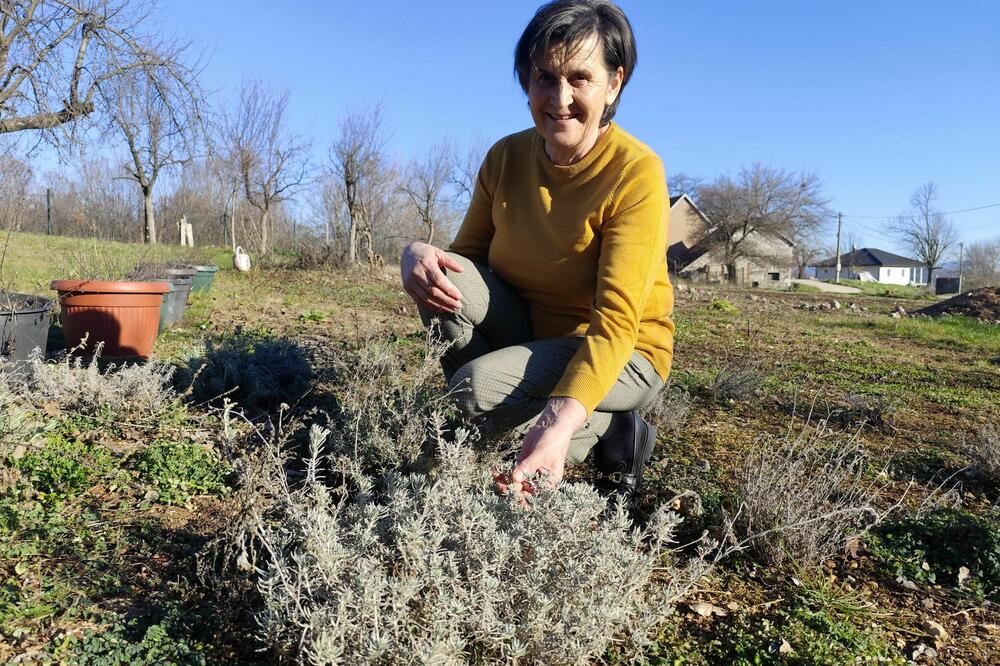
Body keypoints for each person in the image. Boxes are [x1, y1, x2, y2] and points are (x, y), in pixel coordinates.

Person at [400, 0, 674, 505]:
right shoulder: (506, 156)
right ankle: (499, 422)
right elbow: (465, 262)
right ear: (526, 80)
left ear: (615, 83)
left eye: (580, 78)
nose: (560, 98)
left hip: (623, 350)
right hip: (530, 329)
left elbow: (616, 321)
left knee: (475, 391)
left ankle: (606, 425)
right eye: (544, 77)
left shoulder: (636, 172)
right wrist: (416, 252)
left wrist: (555, 421)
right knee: (441, 277)